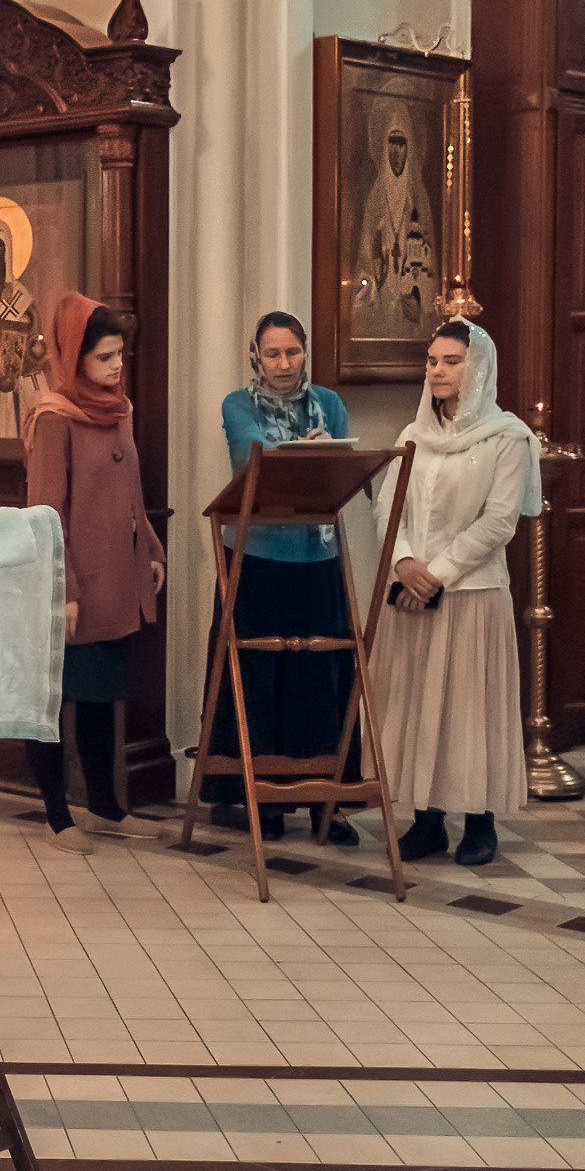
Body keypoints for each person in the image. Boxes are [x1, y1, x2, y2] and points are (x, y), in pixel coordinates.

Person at [369, 319, 540, 868]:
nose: (436, 371)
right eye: (431, 361)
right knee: (420, 706)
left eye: (449, 361)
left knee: (470, 709)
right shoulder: (411, 436)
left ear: (478, 368)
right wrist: (404, 563)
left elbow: (499, 523)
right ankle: (425, 821)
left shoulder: (508, 437)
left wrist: (435, 573)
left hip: (472, 594)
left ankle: (480, 823)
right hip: (412, 592)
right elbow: (384, 509)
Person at [205, 312, 362, 845]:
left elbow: (341, 468)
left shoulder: (331, 405)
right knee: (256, 678)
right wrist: (304, 456)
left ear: (305, 353)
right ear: (255, 356)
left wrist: (320, 458)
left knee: (322, 680)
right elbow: (253, 457)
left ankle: (326, 801)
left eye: (292, 352)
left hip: (318, 560)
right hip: (257, 559)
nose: (283, 364)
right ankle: (257, 797)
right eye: (272, 354)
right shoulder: (237, 403)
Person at [21, 293, 164, 853]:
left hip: (116, 581)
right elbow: (45, 514)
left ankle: (104, 806)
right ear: (74, 357)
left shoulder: (119, 408)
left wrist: (151, 549)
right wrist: (65, 590)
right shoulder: (55, 419)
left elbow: (132, 492)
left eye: (120, 355)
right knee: (55, 701)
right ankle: (57, 816)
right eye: (105, 357)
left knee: (103, 694)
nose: (116, 366)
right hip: (73, 585)